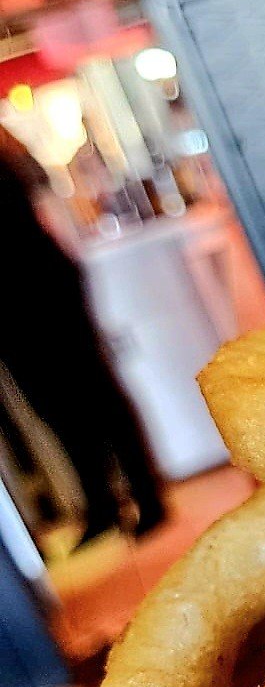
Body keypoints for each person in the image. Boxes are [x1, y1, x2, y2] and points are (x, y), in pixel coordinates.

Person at [0, 125, 166, 540]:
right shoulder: (10, 154)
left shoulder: (6, 160)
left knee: (89, 394)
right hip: (22, 289)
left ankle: (143, 495)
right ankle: (105, 503)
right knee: (59, 406)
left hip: (35, 283)